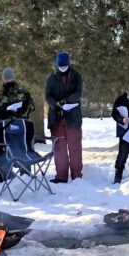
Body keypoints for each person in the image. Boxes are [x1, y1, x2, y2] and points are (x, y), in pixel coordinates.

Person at [44, 51, 84, 183]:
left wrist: (67, 101)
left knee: (75, 147)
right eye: (60, 66)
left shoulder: (76, 75)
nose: (62, 68)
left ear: (69, 64)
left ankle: (77, 176)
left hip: (73, 117)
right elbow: (48, 95)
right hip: (56, 118)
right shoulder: (51, 78)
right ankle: (61, 176)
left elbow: (79, 93)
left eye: (64, 65)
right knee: (59, 148)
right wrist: (55, 104)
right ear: (57, 65)